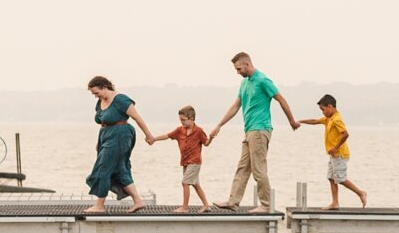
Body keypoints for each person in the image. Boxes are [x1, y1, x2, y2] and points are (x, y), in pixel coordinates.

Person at [208, 52, 299, 213]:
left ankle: (266, 205)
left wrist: (291, 120)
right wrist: (219, 125)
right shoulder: (244, 83)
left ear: (247, 64)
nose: (237, 72)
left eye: (238, 69)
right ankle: (233, 201)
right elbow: (235, 106)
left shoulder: (263, 80)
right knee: (243, 167)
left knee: (258, 169)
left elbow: (281, 99)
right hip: (249, 130)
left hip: (260, 129)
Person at [84, 76, 156, 214]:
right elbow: (103, 123)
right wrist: (99, 142)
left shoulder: (121, 100)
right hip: (106, 136)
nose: (95, 96)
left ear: (104, 87)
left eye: (96, 92)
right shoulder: (101, 101)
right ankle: (138, 201)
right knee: (119, 169)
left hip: (120, 135)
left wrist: (148, 135)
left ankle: (99, 206)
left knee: (103, 168)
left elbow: (137, 117)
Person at [299, 94, 367, 210]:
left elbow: (345, 134)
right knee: (331, 177)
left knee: (340, 179)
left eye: (323, 110)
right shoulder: (328, 118)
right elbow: (315, 121)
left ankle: (361, 193)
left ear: (330, 106)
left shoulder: (336, 119)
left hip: (339, 154)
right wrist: (300, 121)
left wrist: (336, 148)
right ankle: (335, 203)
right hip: (333, 155)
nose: (322, 113)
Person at [153, 105, 212, 213]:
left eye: (184, 120)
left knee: (185, 183)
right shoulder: (179, 130)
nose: (182, 122)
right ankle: (206, 205)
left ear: (192, 119)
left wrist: (211, 137)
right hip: (185, 162)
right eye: (180, 120)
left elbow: (206, 143)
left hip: (195, 162)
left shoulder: (199, 131)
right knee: (195, 184)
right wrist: (154, 139)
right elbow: (167, 135)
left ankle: (185, 208)